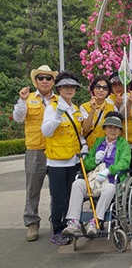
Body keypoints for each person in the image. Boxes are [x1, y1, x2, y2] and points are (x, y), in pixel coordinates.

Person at [62, 112, 131, 236]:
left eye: (116, 128)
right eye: (110, 127)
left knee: (110, 189)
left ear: (120, 131)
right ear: (104, 129)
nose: (113, 130)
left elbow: (125, 162)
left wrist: (109, 170)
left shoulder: (123, 144)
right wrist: (95, 160)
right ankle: (74, 221)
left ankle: (96, 221)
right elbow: (87, 164)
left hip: (112, 180)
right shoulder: (98, 143)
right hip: (95, 179)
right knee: (77, 183)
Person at [12, 65, 58, 241]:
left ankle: (56, 219)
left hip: (56, 150)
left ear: (53, 81)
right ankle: (32, 223)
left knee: (57, 188)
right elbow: (18, 118)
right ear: (35, 81)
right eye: (41, 78)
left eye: (48, 78)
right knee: (33, 189)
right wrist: (22, 101)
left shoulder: (59, 99)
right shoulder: (28, 98)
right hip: (35, 150)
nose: (45, 81)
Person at [41, 71, 86, 246]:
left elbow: (77, 133)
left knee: (70, 196)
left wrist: (84, 144)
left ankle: (69, 225)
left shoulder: (75, 109)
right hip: (57, 161)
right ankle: (57, 229)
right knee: (58, 197)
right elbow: (46, 131)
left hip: (73, 160)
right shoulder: (52, 108)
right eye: (65, 86)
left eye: (72, 86)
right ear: (59, 88)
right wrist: (58, 115)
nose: (69, 89)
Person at [81, 75, 115, 148]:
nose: (101, 90)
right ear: (93, 89)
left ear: (108, 92)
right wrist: (92, 111)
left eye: (105, 88)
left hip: (106, 148)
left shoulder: (112, 107)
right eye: (98, 87)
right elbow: (86, 128)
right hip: (89, 149)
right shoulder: (84, 107)